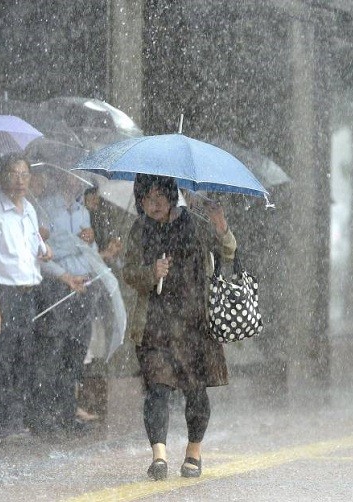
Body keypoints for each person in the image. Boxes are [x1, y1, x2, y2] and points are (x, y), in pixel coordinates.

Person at [122, 174, 236, 481]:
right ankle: (159, 456)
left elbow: (229, 252)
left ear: (172, 196)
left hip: (195, 323)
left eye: (160, 197)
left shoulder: (195, 223)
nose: (153, 204)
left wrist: (221, 225)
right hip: (154, 326)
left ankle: (193, 453)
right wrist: (151, 272)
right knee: (157, 390)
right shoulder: (139, 229)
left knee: (195, 391)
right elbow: (129, 272)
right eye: (146, 198)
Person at [0, 153, 52, 442]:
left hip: (28, 294)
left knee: (24, 359)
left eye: (24, 174)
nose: (20, 180)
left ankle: (17, 421)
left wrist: (44, 250)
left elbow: (34, 246)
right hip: (4, 295)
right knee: (0, 360)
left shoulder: (30, 210)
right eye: (14, 173)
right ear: (2, 177)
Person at [30, 173, 97, 438]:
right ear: (64, 177)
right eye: (75, 176)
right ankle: (43, 416)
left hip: (84, 287)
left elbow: (88, 250)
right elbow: (40, 252)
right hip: (57, 287)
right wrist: (65, 277)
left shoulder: (84, 212)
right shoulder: (45, 207)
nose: (79, 181)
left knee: (75, 352)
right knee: (52, 353)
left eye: (83, 178)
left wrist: (91, 241)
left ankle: (67, 413)